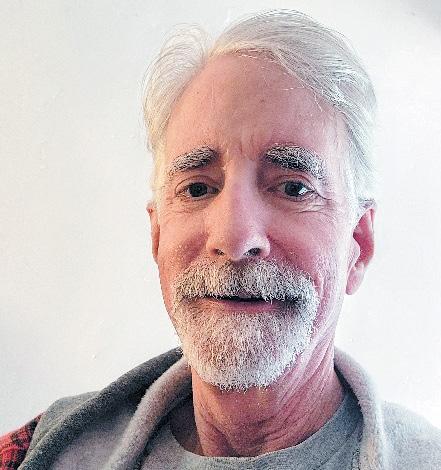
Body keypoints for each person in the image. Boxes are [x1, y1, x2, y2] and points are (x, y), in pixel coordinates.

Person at [1, 9, 441, 470]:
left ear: (358, 245)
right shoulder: (35, 454)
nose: (234, 237)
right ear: (157, 235)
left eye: (293, 187)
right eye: (197, 189)